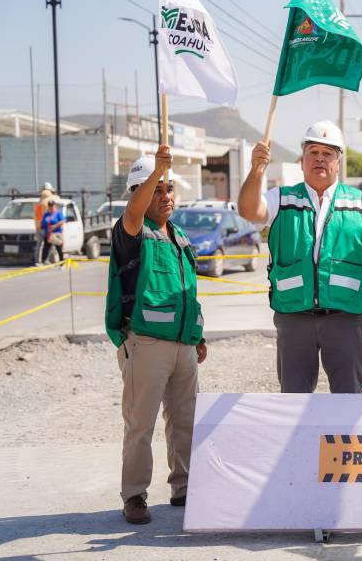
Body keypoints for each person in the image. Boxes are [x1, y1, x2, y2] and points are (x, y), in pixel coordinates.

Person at [238, 121, 362, 394]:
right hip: (293, 317)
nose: (320, 159)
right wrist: (256, 170)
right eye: (313, 152)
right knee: (294, 400)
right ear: (302, 160)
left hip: (344, 318)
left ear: (339, 161)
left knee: (348, 399)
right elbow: (248, 210)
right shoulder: (282, 199)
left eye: (328, 153)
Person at [103, 147, 207, 525]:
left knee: (184, 421)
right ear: (140, 192)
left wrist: (198, 335)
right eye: (156, 189)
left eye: (169, 189)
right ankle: (134, 496)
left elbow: (188, 292)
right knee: (140, 424)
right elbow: (133, 210)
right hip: (144, 343)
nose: (165, 196)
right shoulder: (132, 231)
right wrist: (157, 170)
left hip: (182, 345)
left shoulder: (179, 237)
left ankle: (184, 486)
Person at [39, 198, 65, 264]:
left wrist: (54, 226)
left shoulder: (58, 213)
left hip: (57, 233)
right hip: (48, 234)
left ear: (55, 206)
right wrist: (44, 226)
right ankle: (43, 261)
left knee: (59, 249)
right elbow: (42, 223)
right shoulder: (46, 214)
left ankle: (62, 263)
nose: (51, 207)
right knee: (46, 248)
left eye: (52, 206)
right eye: (50, 206)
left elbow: (62, 221)